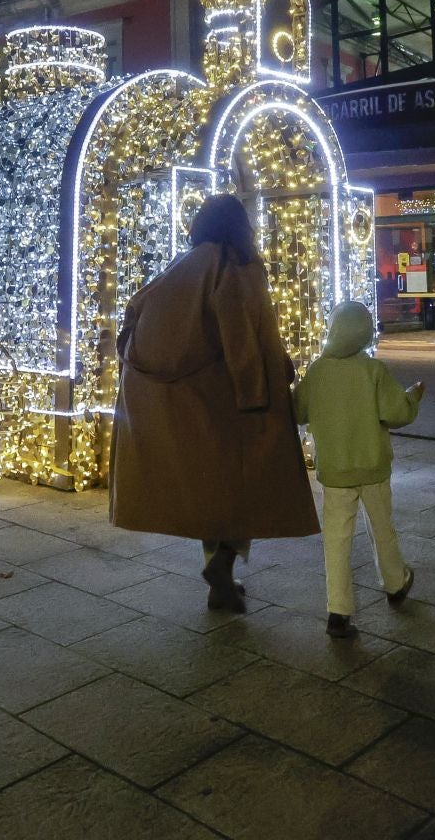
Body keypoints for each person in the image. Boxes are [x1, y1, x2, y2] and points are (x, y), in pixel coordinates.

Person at [110, 194, 319, 611]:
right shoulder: (239, 267)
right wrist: (260, 390)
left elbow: (132, 319)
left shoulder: (181, 265)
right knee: (247, 485)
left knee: (209, 489)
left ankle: (218, 575)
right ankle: (223, 564)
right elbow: (246, 335)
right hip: (229, 400)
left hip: (188, 400)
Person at [296, 300, 423, 639]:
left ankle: (338, 612)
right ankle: (396, 582)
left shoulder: (319, 370)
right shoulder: (373, 370)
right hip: (373, 467)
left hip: (335, 471)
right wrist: (412, 397)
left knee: (336, 541)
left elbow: (298, 411)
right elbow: (398, 413)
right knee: (382, 528)